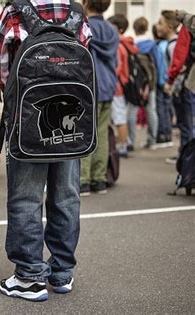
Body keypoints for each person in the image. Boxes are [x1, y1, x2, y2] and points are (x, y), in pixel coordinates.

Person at [0, 0, 92, 302]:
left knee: (26, 198)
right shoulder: (76, 12)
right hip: (73, 127)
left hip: (28, 123)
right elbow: (85, 65)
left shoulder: (16, 10)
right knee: (67, 197)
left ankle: (29, 277)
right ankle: (61, 273)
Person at [80, 0, 118, 196]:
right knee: (102, 132)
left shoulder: (83, 25)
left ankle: (83, 180)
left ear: (86, 3)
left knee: (86, 132)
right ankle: (99, 179)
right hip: (108, 85)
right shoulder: (112, 30)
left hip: (89, 86)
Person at [163, 11, 194, 156]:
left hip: (188, 83)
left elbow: (178, 59)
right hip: (188, 81)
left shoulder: (186, 28)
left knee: (187, 124)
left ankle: (187, 159)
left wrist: (170, 81)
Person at [107, 14, 137, 158]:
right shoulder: (125, 44)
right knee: (120, 116)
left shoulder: (118, 45)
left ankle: (123, 146)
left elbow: (116, 67)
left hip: (116, 86)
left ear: (120, 29)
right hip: (121, 85)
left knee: (119, 118)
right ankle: (123, 143)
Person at [133, 16, 164, 150]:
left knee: (132, 110)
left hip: (136, 83)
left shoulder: (133, 45)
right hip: (150, 82)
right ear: (146, 28)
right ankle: (152, 140)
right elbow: (159, 64)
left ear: (134, 29)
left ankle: (130, 142)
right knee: (151, 109)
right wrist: (161, 81)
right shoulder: (152, 45)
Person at [152, 24, 174, 148]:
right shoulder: (168, 44)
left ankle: (163, 135)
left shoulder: (159, 46)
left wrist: (161, 81)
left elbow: (160, 67)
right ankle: (168, 134)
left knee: (161, 109)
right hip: (169, 81)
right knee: (167, 108)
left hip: (162, 82)